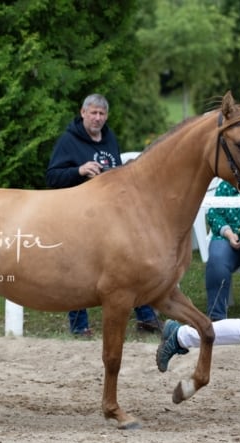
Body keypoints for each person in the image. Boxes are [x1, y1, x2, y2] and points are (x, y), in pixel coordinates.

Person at [45, 93, 161, 336]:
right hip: (77, 216)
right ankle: (79, 327)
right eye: (93, 113)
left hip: (113, 215)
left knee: (132, 263)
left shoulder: (110, 139)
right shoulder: (69, 141)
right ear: (83, 113)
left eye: (102, 114)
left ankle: (147, 317)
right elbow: (52, 177)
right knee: (79, 269)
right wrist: (79, 170)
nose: (97, 118)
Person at [204, 180, 240, 321]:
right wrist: (228, 233)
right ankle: (216, 317)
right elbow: (214, 213)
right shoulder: (226, 185)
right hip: (227, 236)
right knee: (217, 260)